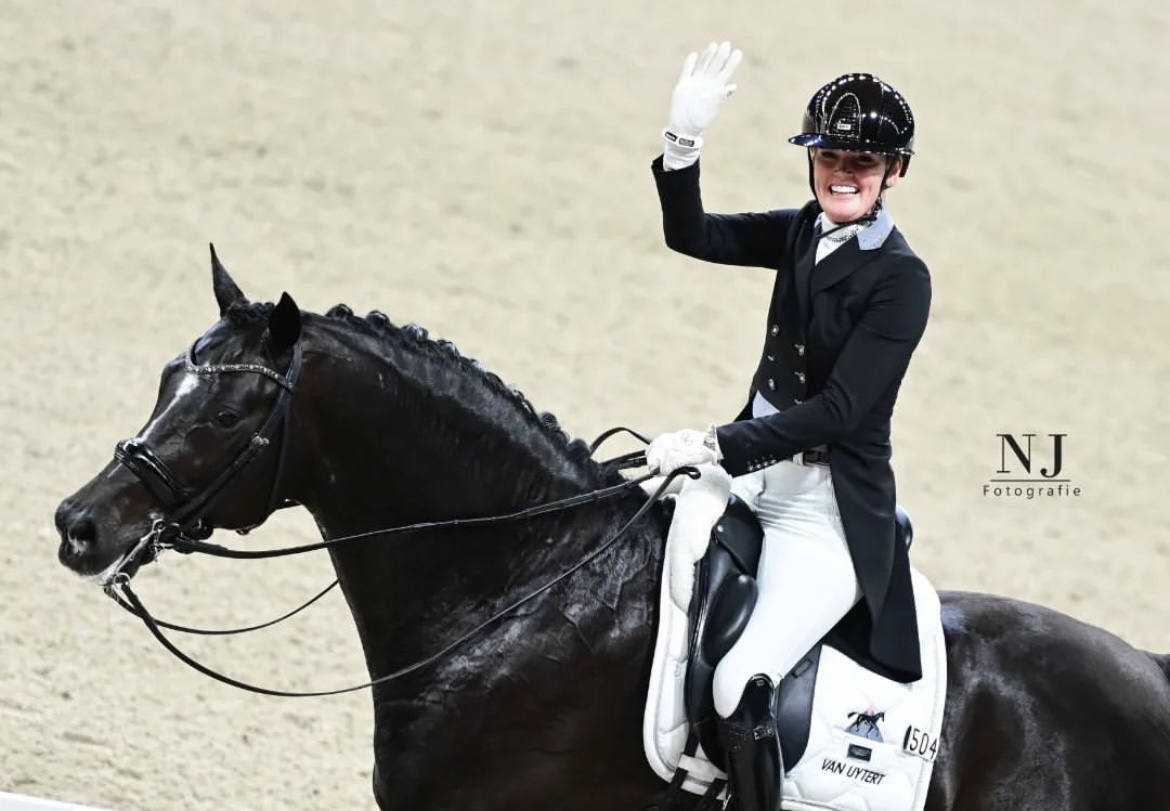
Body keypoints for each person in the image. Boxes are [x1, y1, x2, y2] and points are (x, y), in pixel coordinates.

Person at [645, 42, 932, 811]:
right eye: (829, 154)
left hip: (826, 515)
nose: (843, 171)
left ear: (894, 171)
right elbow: (694, 234)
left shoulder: (901, 279)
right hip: (752, 479)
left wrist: (716, 443)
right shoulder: (806, 229)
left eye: (863, 161)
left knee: (742, 682)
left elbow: (839, 410)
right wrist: (683, 143)